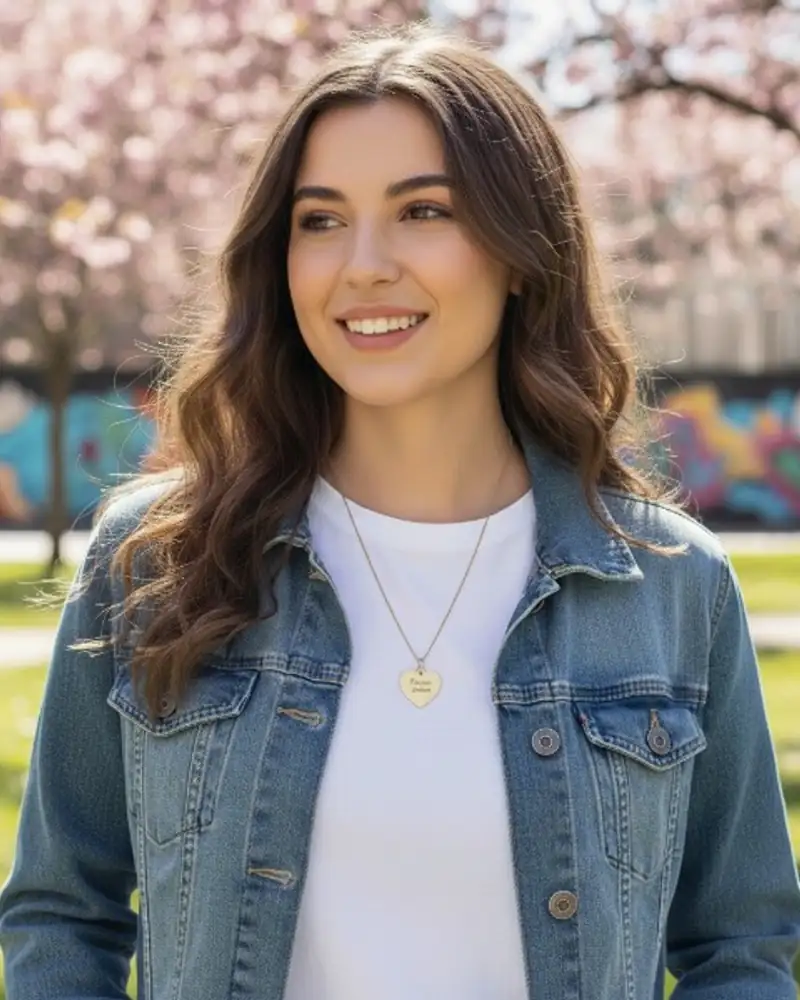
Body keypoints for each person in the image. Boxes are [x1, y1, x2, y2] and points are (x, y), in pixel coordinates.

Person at [1, 21, 799, 1000]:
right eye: (320, 220)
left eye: (423, 211)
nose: (362, 265)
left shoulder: (672, 585)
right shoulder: (156, 558)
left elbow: (738, 948)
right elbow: (61, 915)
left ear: (519, 252)